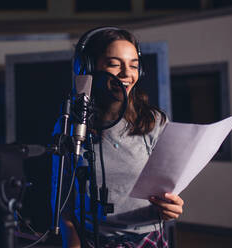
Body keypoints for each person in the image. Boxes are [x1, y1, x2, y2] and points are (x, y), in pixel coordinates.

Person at [51, 27, 184, 248]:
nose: (127, 73)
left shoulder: (155, 122)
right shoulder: (70, 127)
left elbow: (169, 192)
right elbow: (62, 203)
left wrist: (172, 207)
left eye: (133, 65)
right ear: (90, 68)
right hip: (92, 241)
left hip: (148, 240)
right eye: (114, 64)